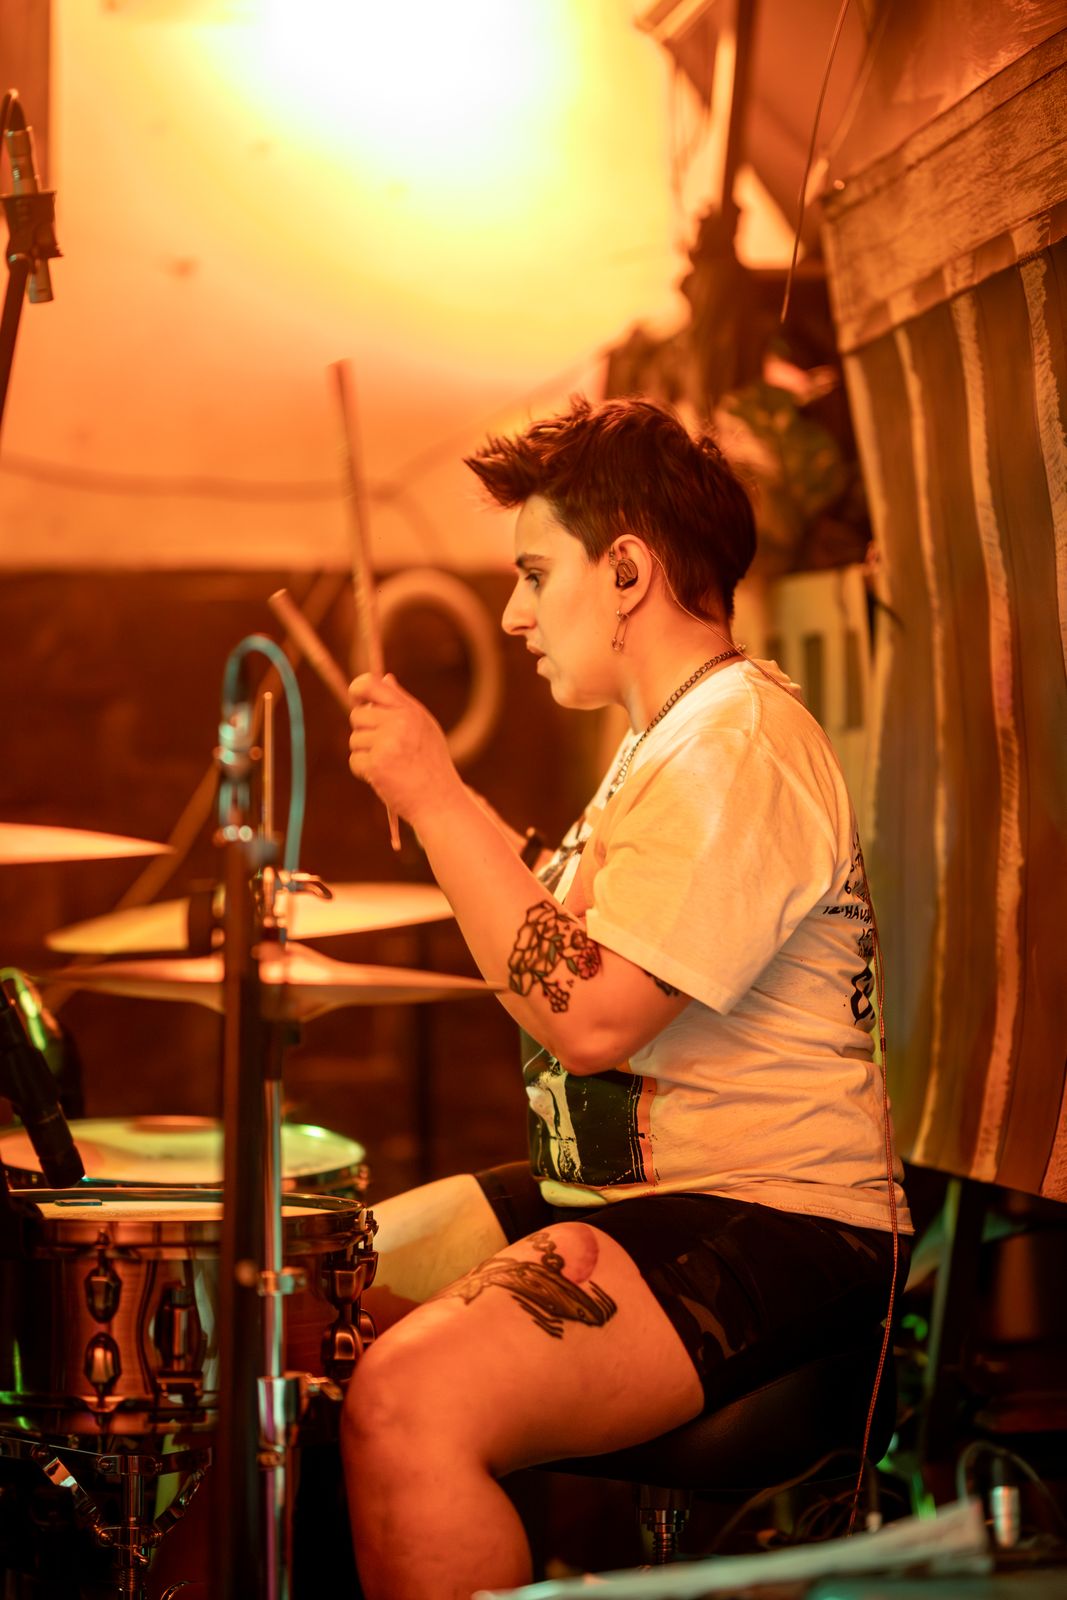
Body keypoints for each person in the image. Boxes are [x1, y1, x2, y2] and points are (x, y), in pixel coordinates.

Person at [343, 395, 911, 1600]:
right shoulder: (664, 742)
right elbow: (565, 938)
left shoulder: (735, 744)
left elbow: (591, 1015)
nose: (514, 613)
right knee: (307, 1291)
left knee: (407, 1399)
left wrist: (437, 797)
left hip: (771, 1217)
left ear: (625, 570)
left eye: (532, 574)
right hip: (630, 1191)